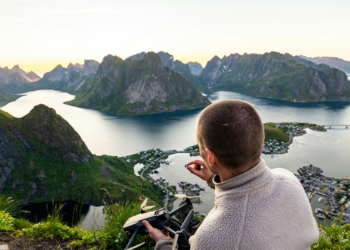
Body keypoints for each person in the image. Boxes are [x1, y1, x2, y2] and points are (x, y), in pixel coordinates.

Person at [142, 99, 319, 250]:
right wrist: (212, 178)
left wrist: (163, 243)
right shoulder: (289, 180)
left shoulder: (212, 239)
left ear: (210, 157)